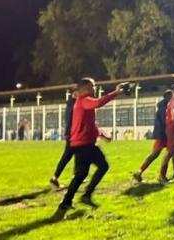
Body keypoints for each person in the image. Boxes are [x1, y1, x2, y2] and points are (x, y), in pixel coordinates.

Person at [54, 78, 126, 219]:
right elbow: (99, 102)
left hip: (79, 143)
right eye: (92, 87)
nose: (94, 89)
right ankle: (86, 195)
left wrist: (102, 135)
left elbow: (90, 124)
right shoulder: (84, 100)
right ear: (84, 89)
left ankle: (66, 202)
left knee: (81, 175)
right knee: (103, 166)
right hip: (85, 144)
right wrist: (116, 92)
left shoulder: (81, 103)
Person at [133, 90, 173, 183]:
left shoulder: (163, 106)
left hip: (161, 133)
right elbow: (165, 120)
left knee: (158, 154)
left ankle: (139, 172)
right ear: (168, 97)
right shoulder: (165, 107)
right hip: (163, 134)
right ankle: (161, 176)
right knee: (164, 153)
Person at [50, 89, 77, 188]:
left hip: (71, 133)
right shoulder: (73, 104)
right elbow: (70, 119)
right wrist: (69, 132)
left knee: (75, 154)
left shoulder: (70, 103)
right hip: (72, 134)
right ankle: (55, 177)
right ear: (75, 93)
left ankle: (76, 174)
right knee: (67, 156)